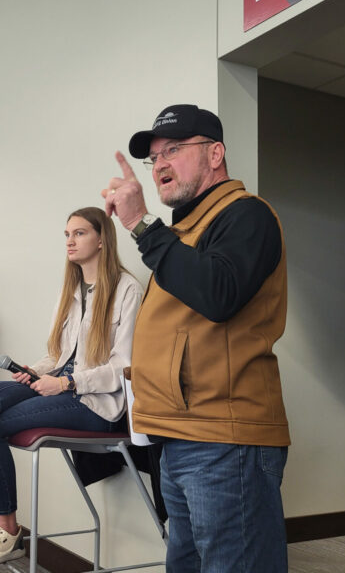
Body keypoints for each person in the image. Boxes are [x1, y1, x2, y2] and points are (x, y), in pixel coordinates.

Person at [102, 104, 291, 572]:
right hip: (179, 437)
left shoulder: (246, 215)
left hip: (225, 439)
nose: (161, 164)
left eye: (174, 150)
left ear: (215, 154)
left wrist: (141, 225)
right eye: (155, 158)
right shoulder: (184, 232)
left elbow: (218, 293)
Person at [0, 207, 143, 571]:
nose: (70, 240)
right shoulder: (71, 290)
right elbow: (58, 353)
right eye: (67, 233)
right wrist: (34, 372)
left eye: (80, 233)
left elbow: (122, 366)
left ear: (102, 239)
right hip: (60, 386)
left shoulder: (128, 289)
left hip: (95, 402)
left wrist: (66, 382)